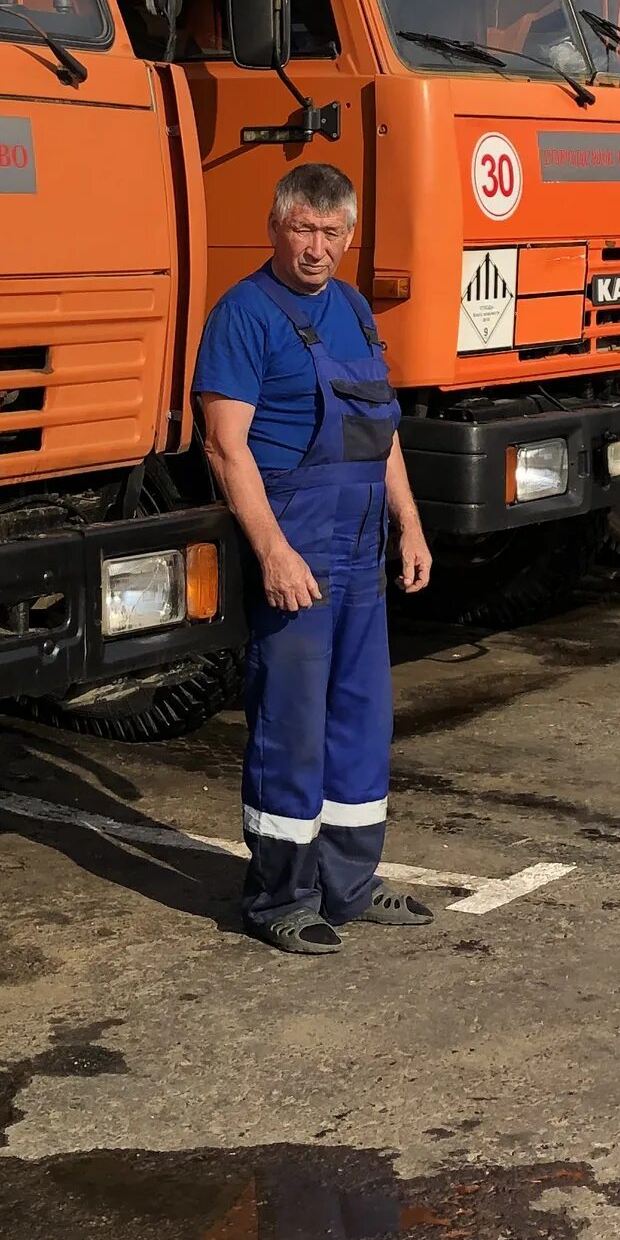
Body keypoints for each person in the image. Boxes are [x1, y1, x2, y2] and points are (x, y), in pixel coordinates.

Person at [195, 164, 437, 955]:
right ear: (274, 227)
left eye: (333, 234)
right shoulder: (243, 315)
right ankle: (278, 898)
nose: (317, 248)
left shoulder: (355, 309)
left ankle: (350, 887)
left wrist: (410, 523)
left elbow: (380, 428)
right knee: (290, 729)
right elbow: (225, 448)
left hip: (362, 542)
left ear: (349, 236)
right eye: (303, 229)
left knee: (360, 724)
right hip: (298, 541)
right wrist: (272, 551)